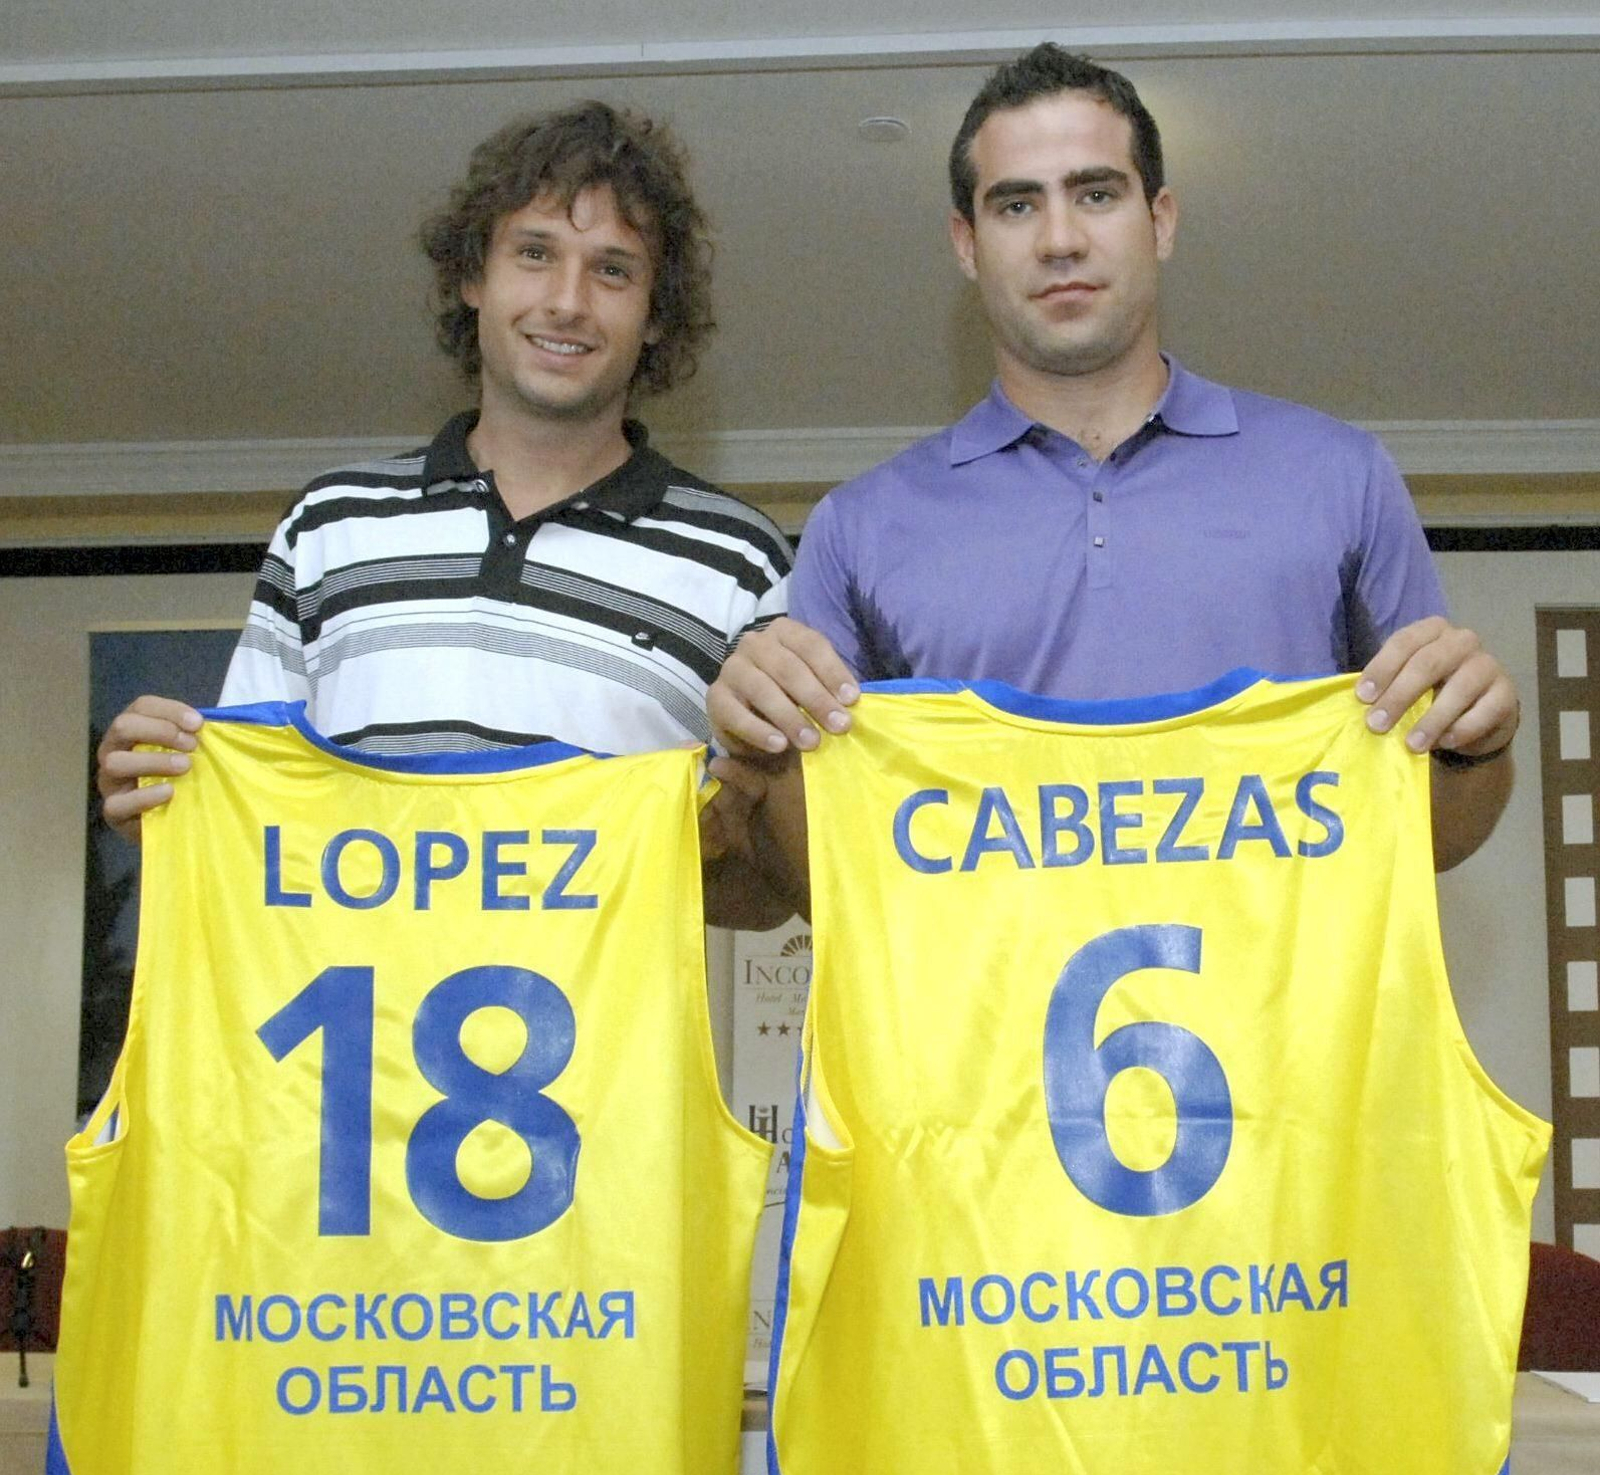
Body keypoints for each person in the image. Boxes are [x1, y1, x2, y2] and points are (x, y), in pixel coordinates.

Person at [708, 44, 1519, 872]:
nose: (1060, 239)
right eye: (1017, 206)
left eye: (1096, 194)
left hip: (1287, 1004)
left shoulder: (1341, 477)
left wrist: (1477, 749)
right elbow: (827, 878)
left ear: (1160, 220)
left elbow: (1429, 838)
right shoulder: (860, 527)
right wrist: (759, 749)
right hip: (980, 1006)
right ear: (966, 242)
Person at [96, 100, 797, 926]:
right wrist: (168, 803)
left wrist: (715, 845)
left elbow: (770, 901)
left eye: (613, 269)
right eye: (535, 254)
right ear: (473, 276)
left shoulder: (741, 561)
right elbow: (258, 829)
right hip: (344, 1049)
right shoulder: (330, 526)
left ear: (654, 314)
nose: (567, 301)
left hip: (607, 1055)